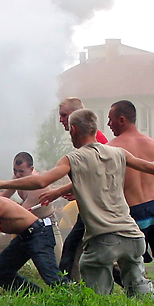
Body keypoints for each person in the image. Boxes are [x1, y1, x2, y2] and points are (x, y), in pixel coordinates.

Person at [0, 109, 154, 296]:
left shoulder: (72, 159)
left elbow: (40, 181)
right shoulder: (119, 153)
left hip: (103, 238)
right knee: (139, 290)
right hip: (132, 236)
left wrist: (2, 183)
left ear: (72, 130)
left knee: (95, 295)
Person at [107, 100, 154, 295]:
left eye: (110, 120)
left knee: (130, 261)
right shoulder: (153, 144)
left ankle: (145, 290)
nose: (108, 125)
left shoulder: (112, 149)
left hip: (135, 213)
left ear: (122, 120)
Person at [41, 97, 109, 281]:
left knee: (74, 250)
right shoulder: (87, 140)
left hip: (97, 207)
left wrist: (58, 191)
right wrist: (74, 189)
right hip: (92, 206)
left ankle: (68, 289)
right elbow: (87, 177)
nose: (61, 120)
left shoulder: (97, 142)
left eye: (64, 115)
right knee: (81, 251)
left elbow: (96, 177)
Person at [0, 152, 63, 263]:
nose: (17, 175)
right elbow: (3, 197)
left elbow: (20, 214)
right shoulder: (17, 178)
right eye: (15, 171)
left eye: (21, 172)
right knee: (2, 258)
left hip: (47, 226)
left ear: (31, 169)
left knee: (58, 264)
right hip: (29, 226)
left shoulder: (38, 187)